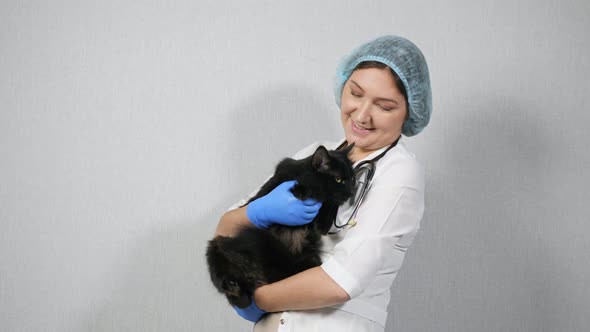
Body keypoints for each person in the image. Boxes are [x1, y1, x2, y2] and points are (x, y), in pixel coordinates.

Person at [214, 35, 432, 332]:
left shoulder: (400, 173)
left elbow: (341, 282)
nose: (363, 115)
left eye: (384, 106)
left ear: (409, 113)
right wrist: (258, 212)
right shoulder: (315, 153)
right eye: (356, 93)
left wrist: (258, 297)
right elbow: (226, 229)